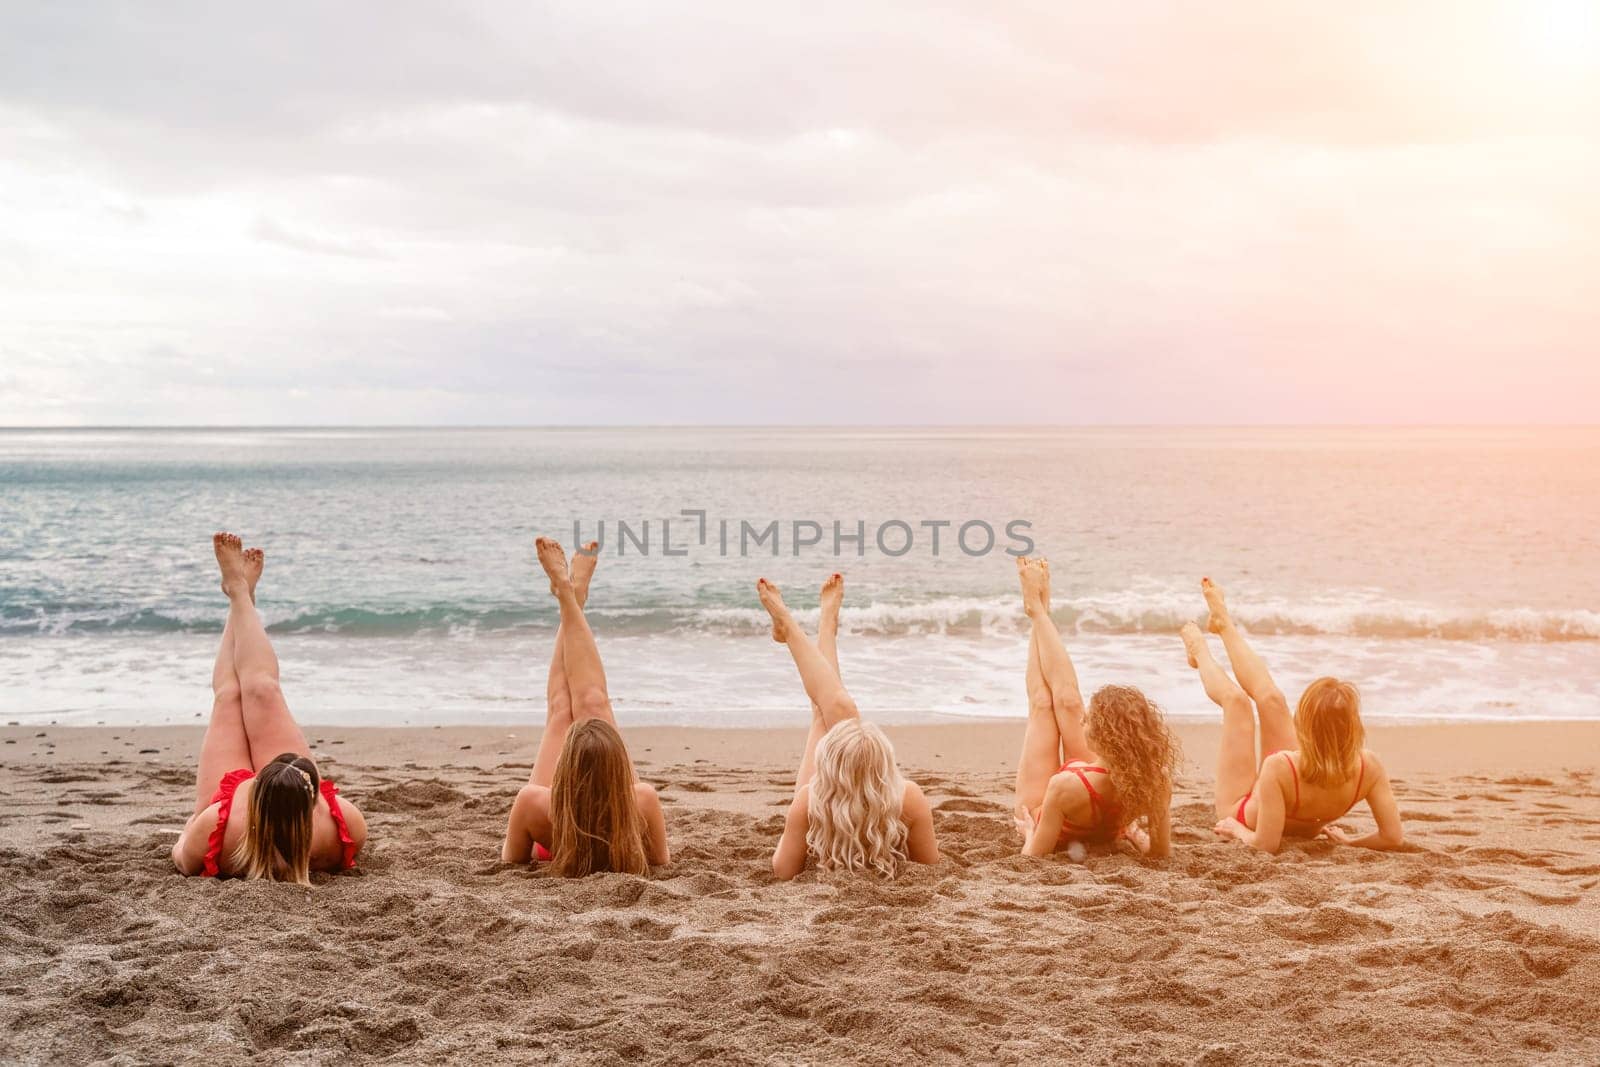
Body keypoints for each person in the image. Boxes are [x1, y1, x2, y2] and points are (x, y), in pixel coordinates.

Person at [171, 533, 366, 882]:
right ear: (313, 800)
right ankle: (241, 598)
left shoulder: (219, 826)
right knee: (263, 690)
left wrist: (192, 825)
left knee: (231, 695)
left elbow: (183, 858)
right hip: (255, 808)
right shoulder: (345, 826)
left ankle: (238, 595)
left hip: (224, 806)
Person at [1182, 577, 1404, 853]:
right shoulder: (1369, 765)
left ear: (1305, 725)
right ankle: (1223, 624)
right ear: (1353, 725)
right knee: (1273, 700)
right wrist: (1349, 843)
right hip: (1289, 788)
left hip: (1241, 809)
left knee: (1236, 702)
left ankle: (1199, 652)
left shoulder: (1279, 766)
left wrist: (1237, 829)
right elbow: (1392, 837)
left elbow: (1266, 844)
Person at [502, 539, 670, 875]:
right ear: (619, 767)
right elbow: (660, 862)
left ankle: (569, 595)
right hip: (577, 814)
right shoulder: (642, 799)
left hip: (558, 823)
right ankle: (571, 597)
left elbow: (511, 862)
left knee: (562, 709)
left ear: (563, 769)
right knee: (595, 706)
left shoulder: (534, 803)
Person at [758, 573, 939, 879]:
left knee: (828, 712)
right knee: (833, 711)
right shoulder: (907, 796)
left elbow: (782, 870)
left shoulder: (811, 798)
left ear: (826, 762)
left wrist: (800, 823)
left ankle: (793, 627)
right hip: (857, 804)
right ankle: (822, 629)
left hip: (823, 803)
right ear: (884, 764)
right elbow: (930, 865)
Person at [1013, 557, 1176, 859]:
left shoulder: (1063, 786)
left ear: (1105, 737)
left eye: (1089, 722)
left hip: (1044, 810)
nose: (1083, 722)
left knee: (1042, 705)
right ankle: (1040, 612)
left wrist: (1028, 832)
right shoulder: (1155, 777)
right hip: (1094, 791)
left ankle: (1036, 610)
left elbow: (1032, 859)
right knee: (1069, 700)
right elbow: (1161, 854)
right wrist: (1137, 837)